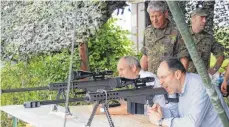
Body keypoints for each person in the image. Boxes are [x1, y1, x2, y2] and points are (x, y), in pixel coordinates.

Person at [148, 58, 223, 127]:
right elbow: (175, 112)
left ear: (177, 74)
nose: (160, 82)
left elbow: (192, 123)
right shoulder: (178, 87)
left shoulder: (200, 86)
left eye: (163, 77)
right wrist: (160, 111)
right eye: (159, 78)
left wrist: (161, 121)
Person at [95, 56, 177, 116]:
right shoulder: (137, 80)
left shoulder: (146, 79)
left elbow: (129, 110)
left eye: (121, 69)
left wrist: (101, 110)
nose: (120, 74)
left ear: (133, 68)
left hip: (164, 115)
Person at [140, 1, 189, 74]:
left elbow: (184, 58)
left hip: (169, 78)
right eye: (152, 16)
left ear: (165, 14)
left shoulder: (176, 32)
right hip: (152, 78)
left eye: (157, 16)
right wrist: (141, 74)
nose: (154, 20)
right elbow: (145, 55)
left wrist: (181, 77)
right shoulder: (148, 31)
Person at [188, 8, 225, 75]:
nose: (204, 21)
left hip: (201, 79)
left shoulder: (209, 38)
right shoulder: (183, 35)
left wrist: (213, 70)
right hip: (184, 78)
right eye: (202, 18)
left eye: (205, 18)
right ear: (193, 19)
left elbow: (220, 55)